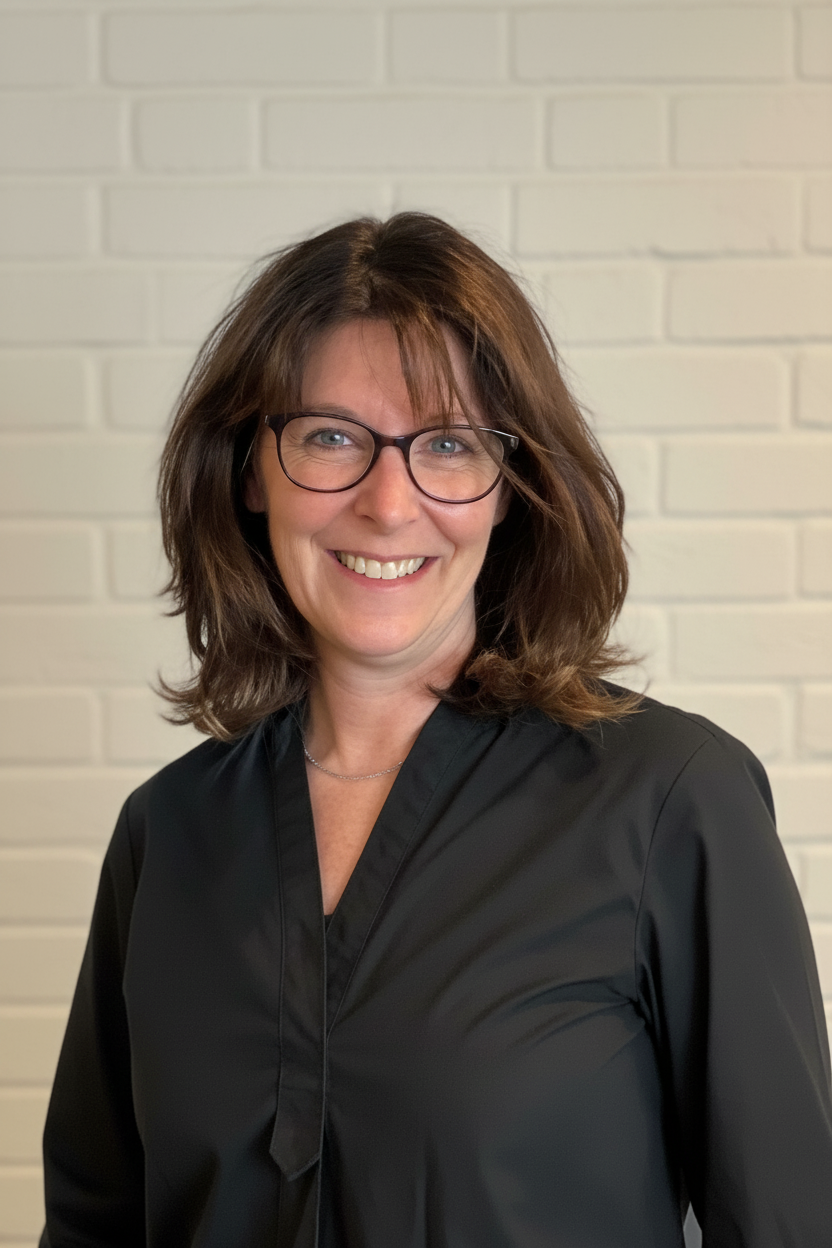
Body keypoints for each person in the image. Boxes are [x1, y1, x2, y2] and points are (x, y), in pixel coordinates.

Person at [40, 214, 832, 1247]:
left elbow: (786, 1223)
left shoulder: (670, 799)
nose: (387, 500)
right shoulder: (169, 832)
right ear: (249, 470)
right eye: (330, 436)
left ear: (511, 489)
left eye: (449, 445)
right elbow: (95, 1223)